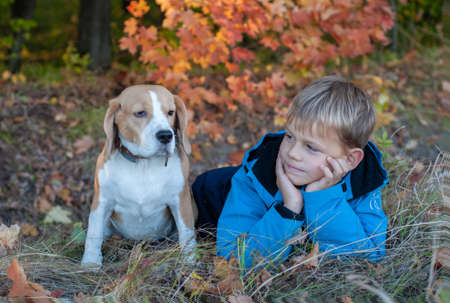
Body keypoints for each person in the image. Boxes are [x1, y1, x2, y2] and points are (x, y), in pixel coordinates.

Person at [192, 75, 389, 269]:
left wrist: (324, 198)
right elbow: (232, 262)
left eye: (311, 147)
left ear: (350, 159)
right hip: (211, 197)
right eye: (290, 136)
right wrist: (289, 209)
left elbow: (367, 259)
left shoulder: (364, 181)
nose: (292, 153)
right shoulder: (255, 177)